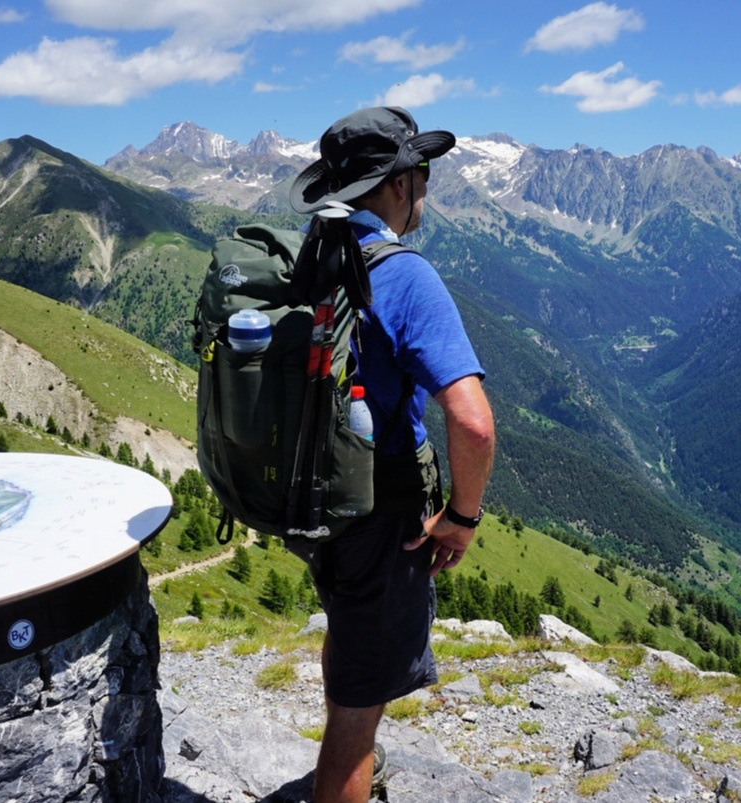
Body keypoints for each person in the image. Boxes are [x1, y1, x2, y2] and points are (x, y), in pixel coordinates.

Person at [284, 106, 496, 803]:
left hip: (321, 504)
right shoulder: (404, 275)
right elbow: (473, 423)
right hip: (382, 514)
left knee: (351, 654)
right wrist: (462, 516)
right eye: (423, 174)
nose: (426, 190)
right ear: (399, 184)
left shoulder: (317, 256)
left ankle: (351, 754)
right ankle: (346, 772)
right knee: (356, 710)